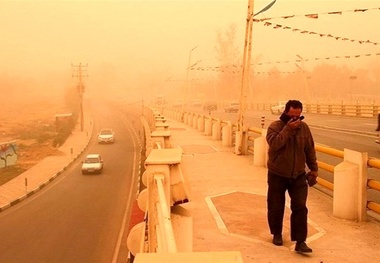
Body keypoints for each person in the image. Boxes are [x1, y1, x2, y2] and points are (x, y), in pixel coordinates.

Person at [266, 100, 318, 253]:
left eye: (298, 116)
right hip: (277, 174)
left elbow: (310, 149)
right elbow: (274, 144)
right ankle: (277, 233)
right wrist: (287, 130)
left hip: (298, 175)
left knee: (300, 207)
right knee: (276, 206)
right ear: (286, 112)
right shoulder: (275, 127)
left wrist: (314, 169)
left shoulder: (304, 128)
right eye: (292, 115)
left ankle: (300, 241)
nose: (295, 119)